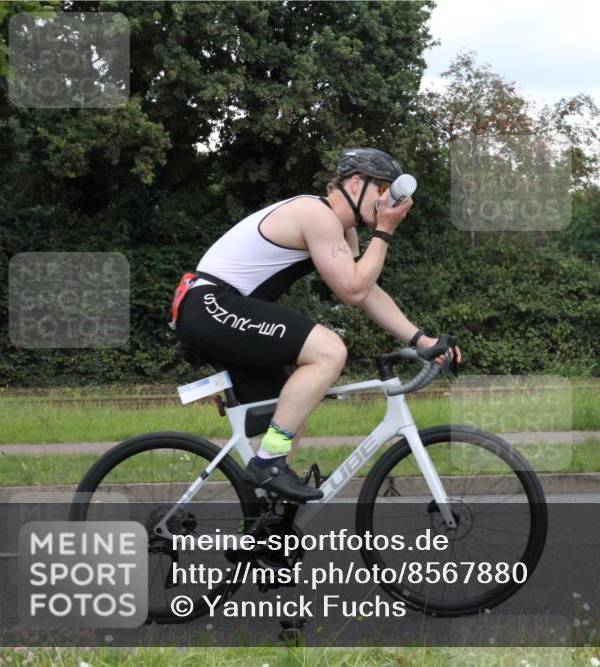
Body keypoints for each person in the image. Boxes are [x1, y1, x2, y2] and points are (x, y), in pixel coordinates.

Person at [171, 148, 462, 501]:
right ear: (356, 183)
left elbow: (366, 291)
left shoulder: (342, 231)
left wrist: (420, 339)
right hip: (211, 304)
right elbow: (353, 292)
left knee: (290, 413)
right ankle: (267, 464)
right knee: (328, 351)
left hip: (220, 309)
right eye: (383, 189)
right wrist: (385, 231)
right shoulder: (315, 213)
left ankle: (262, 531)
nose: (389, 200)